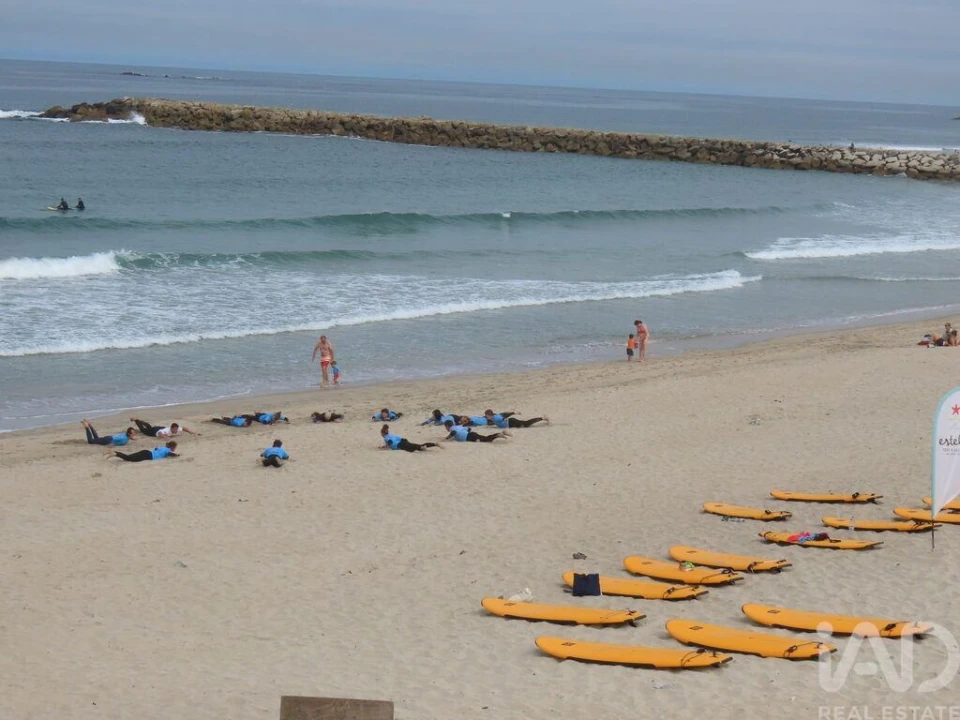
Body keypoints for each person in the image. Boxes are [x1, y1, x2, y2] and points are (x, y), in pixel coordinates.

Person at [442, 419, 510, 443]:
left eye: (445, 427)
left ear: (447, 426)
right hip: (471, 434)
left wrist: (447, 438)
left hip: (470, 437)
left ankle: (499, 434)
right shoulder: (458, 426)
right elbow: (469, 429)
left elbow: (454, 433)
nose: (446, 429)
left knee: (486, 440)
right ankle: (499, 434)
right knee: (485, 438)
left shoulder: (451, 429)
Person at [108, 440, 178, 462]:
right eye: (175, 447)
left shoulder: (163, 447)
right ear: (172, 447)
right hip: (148, 456)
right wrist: (177, 455)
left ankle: (114, 452)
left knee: (129, 456)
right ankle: (115, 454)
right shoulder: (168, 450)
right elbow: (170, 454)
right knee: (129, 459)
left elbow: (156, 449)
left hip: (146, 451)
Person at [130, 417, 198, 437]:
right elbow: (160, 433)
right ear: (171, 428)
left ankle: (139, 420)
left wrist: (191, 432)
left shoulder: (177, 429)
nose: (176, 431)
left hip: (159, 428)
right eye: (174, 430)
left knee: (149, 427)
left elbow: (183, 428)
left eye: (176, 429)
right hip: (155, 432)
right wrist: (166, 437)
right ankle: (136, 421)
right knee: (143, 430)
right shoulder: (167, 431)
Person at [484, 409, 549, 429]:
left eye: (486, 416)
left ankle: (543, 418)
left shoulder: (496, 417)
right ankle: (542, 418)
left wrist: (504, 419)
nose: (486, 417)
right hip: (511, 422)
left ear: (489, 415)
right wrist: (514, 412)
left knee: (526, 424)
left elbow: (502, 418)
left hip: (511, 423)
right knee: (525, 424)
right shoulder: (493, 417)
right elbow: (504, 414)